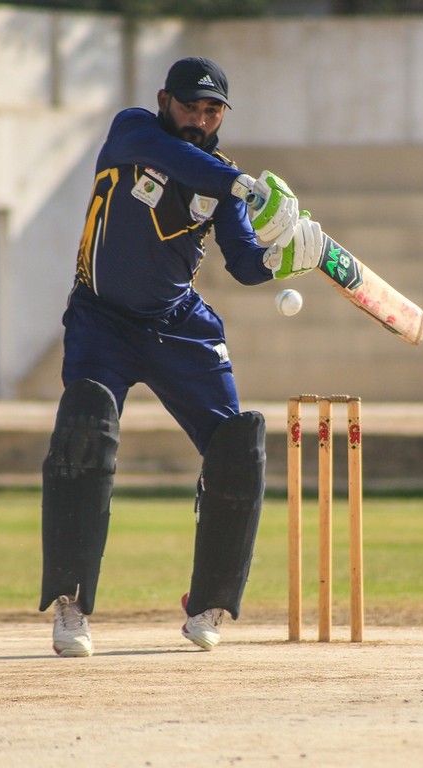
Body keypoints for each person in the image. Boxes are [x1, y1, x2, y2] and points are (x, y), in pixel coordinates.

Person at [39, 57, 324, 657]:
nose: (200, 119)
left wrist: (282, 260)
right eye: (190, 106)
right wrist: (243, 185)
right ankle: (71, 604)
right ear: (164, 100)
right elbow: (179, 160)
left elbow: (243, 263)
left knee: (238, 445)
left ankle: (209, 604)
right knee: (85, 427)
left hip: (178, 326)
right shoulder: (133, 131)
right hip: (102, 320)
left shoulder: (223, 182)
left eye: (212, 110)